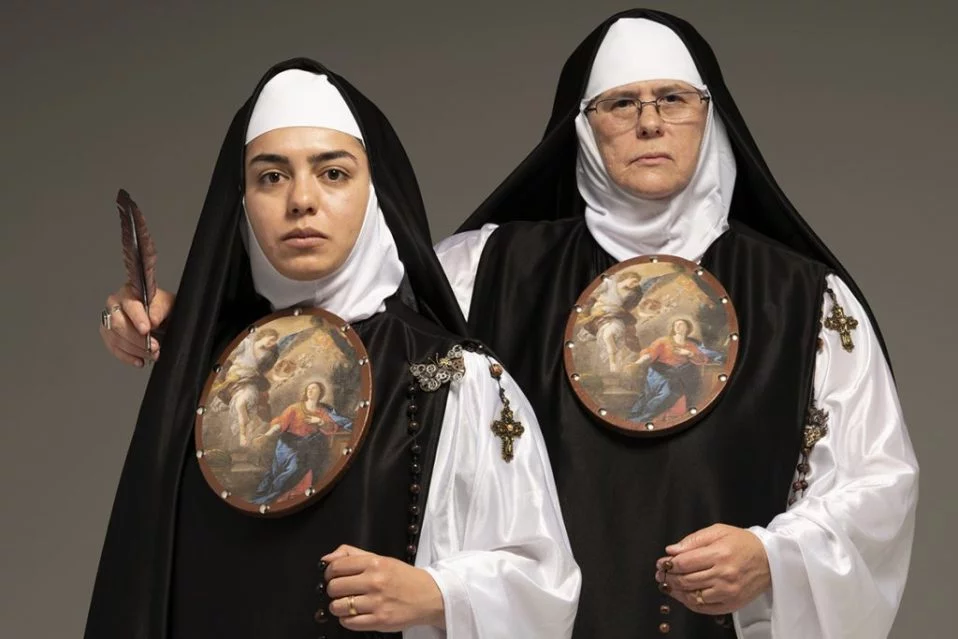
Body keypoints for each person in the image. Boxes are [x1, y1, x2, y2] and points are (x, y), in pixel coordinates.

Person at [436, 9, 919, 638]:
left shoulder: (805, 299)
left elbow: (874, 479)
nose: (650, 123)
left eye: (673, 99)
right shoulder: (480, 273)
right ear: (583, 126)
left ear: (709, 116)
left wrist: (774, 557)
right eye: (621, 104)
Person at [87, 59, 579, 638]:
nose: (301, 199)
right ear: (241, 201)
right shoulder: (201, 367)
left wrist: (439, 594)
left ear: (375, 194)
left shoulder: (455, 379)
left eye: (333, 173)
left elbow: (543, 581)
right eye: (272, 176)